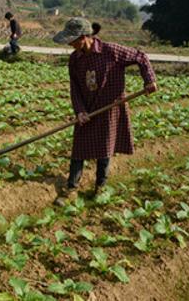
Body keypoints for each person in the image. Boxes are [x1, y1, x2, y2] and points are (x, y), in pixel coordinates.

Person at [52, 18, 158, 206]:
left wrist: (149, 80)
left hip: (110, 107)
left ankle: (100, 186)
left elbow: (140, 57)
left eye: (72, 40)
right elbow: (74, 88)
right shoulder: (75, 59)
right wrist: (79, 111)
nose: (70, 44)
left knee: (104, 148)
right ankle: (72, 189)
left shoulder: (110, 51)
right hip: (87, 109)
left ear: (84, 37)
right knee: (79, 149)